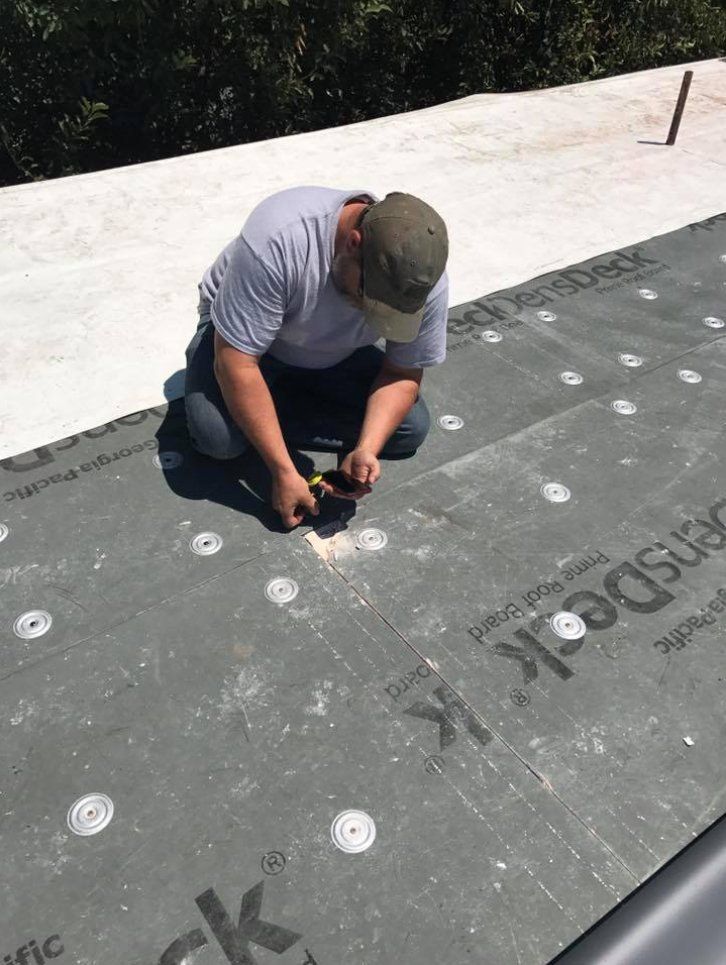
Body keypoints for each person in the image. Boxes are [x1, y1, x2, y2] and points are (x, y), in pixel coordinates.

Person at [184, 186, 449, 529]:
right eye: (371, 299)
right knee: (216, 437)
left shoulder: (421, 279)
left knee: (409, 430)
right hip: (243, 346)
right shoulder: (281, 236)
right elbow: (237, 362)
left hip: (334, 353)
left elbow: (401, 373)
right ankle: (256, 412)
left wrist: (365, 449)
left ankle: (263, 411)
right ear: (354, 244)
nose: (373, 313)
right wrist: (283, 471)